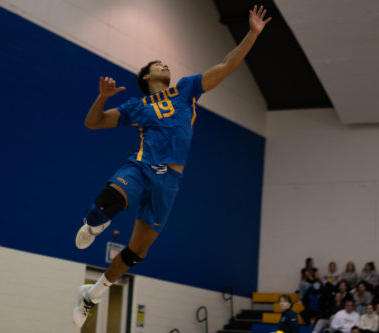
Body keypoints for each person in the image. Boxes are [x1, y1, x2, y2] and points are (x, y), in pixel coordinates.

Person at [71, 5, 272, 328]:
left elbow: (227, 64)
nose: (164, 65)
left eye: (165, 63)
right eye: (157, 64)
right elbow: (92, 123)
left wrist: (251, 33)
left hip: (170, 182)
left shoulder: (187, 91)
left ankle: (92, 295)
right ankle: (94, 224)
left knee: (137, 252)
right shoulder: (136, 106)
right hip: (142, 166)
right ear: (148, 77)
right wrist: (102, 96)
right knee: (104, 207)